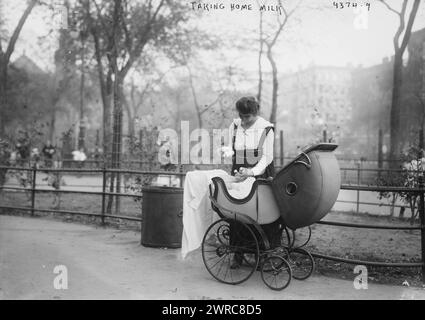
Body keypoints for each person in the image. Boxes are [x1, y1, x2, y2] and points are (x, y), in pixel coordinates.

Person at [181, 96, 280, 262]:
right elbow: (232, 148)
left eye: (247, 116)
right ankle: (238, 252)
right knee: (236, 211)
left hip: (260, 174)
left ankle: (261, 254)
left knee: (259, 212)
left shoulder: (266, 129)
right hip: (239, 173)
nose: (244, 120)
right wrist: (227, 152)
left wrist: (252, 172)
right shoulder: (235, 125)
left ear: (255, 113)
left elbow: (267, 158)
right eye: (241, 116)